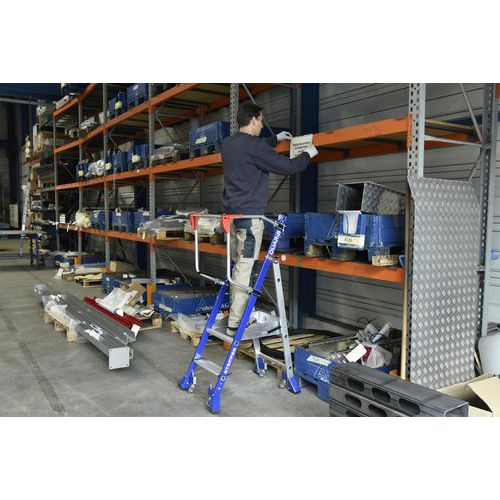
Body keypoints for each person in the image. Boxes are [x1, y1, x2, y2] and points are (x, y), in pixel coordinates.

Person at [221, 102, 318, 336]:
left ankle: (234, 314)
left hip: (231, 218)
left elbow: (250, 151)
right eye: (261, 120)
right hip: (249, 220)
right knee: (244, 271)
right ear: (253, 119)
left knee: (237, 267)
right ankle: (235, 324)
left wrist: (273, 140)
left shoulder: (228, 144)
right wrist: (308, 154)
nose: (262, 125)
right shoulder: (254, 146)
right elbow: (288, 166)